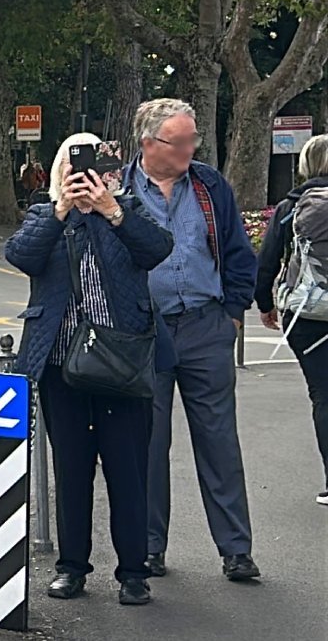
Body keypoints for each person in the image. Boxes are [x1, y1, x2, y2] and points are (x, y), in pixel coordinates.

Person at [5, 132, 174, 606]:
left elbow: (157, 250)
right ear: (60, 172)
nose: (81, 177)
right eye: (70, 167)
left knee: (128, 471)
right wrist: (61, 209)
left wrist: (111, 211)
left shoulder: (126, 209)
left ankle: (134, 573)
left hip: (122, 364)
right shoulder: (45, 216)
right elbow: (21, 255)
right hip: (62, 366)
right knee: (72, 471)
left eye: (89, 166)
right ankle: (71, 567)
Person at [123, 99, 261, 582]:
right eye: (179, 141)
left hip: (206, 324)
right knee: (147, 444)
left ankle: (236, 550)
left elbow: (240, 251)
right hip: (144, 329)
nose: (188, 149)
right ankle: (148, 548)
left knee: (219, 441)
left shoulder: (208, 185)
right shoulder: (119, 189)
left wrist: (233, 314)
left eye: (192, 140)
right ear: (148, 143)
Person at [253, 133, 328, 508]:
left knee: (323, 394)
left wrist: (265, 304)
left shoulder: (291, 206)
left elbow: (266, 262)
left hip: (307, 314)